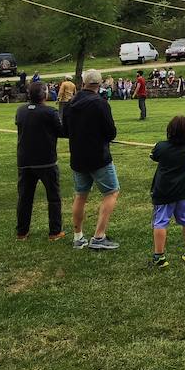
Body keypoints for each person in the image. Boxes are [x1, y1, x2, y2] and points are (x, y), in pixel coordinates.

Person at [63, 69, 120, 251]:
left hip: (78, 157)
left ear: (83, 83)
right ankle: (98, 236)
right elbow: (111, 132)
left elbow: (65, 130)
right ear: (99, 84)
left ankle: (78, 237)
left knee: (81, 195)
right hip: (98, 157)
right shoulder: (100, 104)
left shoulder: (70, 104)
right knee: (111, 192)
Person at [15, 81, 65, 241]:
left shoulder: (21, 110)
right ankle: (55, 232)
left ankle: (22, 232)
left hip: (25, 160)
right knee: (53, 197)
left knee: (24, 197)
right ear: (44, 94)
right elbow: (61, 131)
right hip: (45, 161)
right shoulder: (49, 112)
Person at [149, 115, 185, 268]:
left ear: (169, 130)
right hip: (184, 190)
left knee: (160, 222)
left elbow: (153, 156)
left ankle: (159, 256)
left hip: (164, 191)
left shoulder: (161, 147)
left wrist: (156, 148)